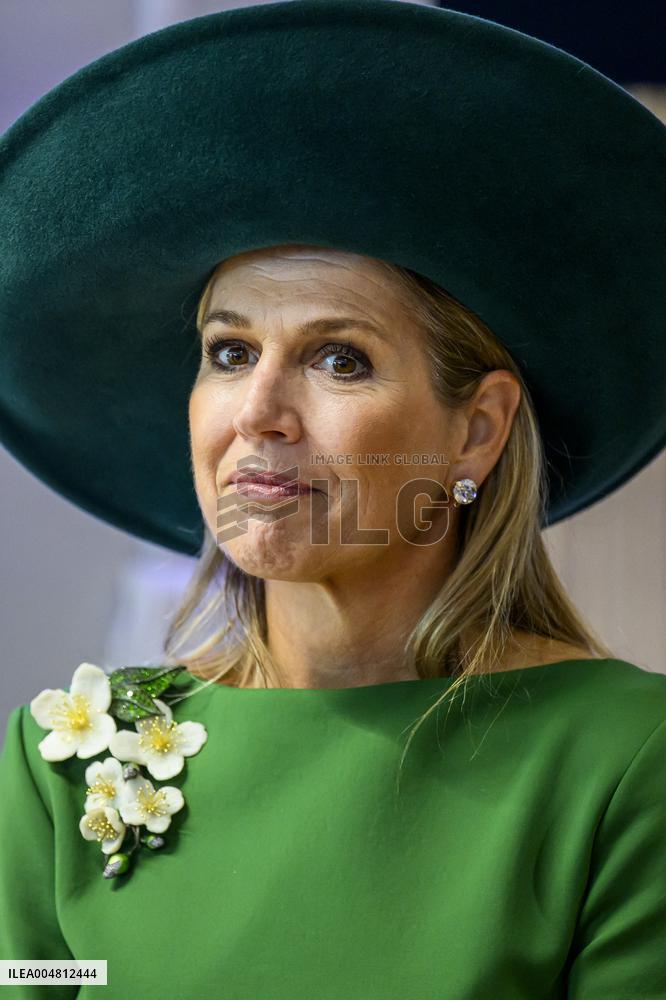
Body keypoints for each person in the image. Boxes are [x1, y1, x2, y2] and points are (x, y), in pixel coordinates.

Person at [0, 2, 664, 998]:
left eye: (339, 358)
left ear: (475, 430)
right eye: (229, 351)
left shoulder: (624, 761)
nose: (258, 410)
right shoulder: (66, 764)